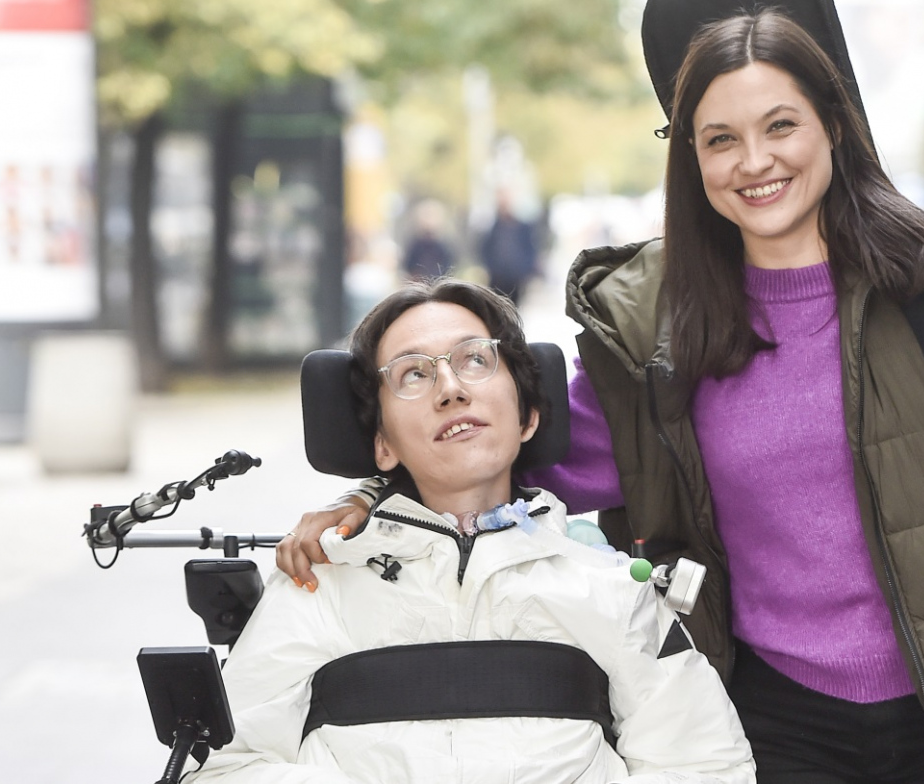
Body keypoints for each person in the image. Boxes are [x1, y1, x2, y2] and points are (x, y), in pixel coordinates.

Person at [280, 6, 924, 784]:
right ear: (692, 159)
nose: (755, 162)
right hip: (778, 723)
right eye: (721, 140)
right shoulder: (657, 334)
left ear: (832, 124)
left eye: (780, 126)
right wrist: (371, 497)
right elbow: (513, 458)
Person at [188, 278, 754, 783]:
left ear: (528, 415)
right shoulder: (317, 587)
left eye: (475, 360)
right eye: (413, 373)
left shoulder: (613, 591)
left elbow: (703, 766)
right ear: (382, 444)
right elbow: (227, 765)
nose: (450, 388)